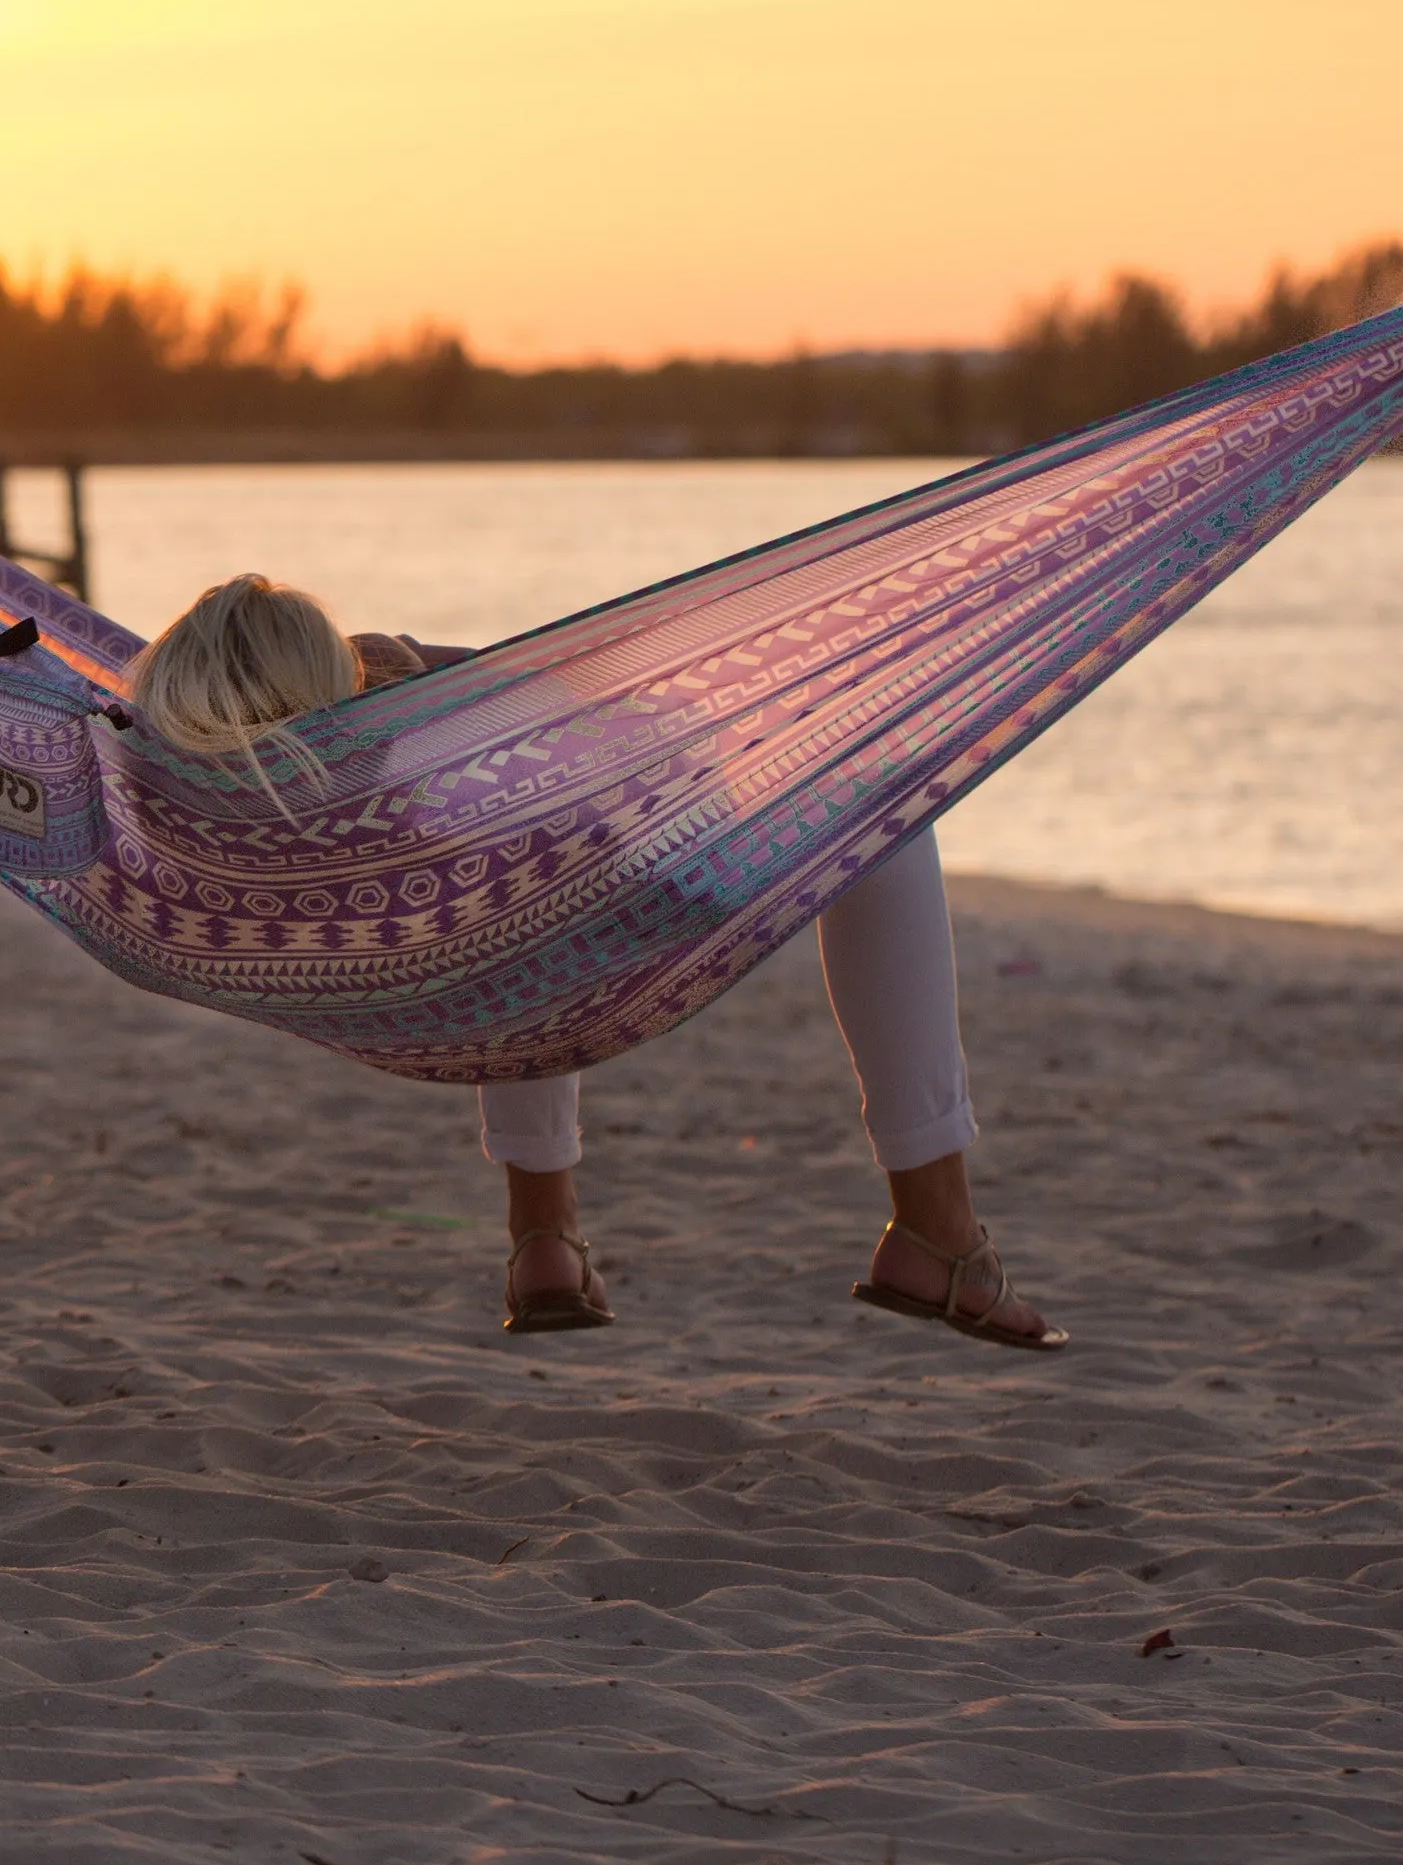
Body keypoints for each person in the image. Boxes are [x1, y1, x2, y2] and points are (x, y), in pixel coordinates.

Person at [128, 573, 1064, 1351]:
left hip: (439, 959)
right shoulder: (400, 753)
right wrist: (428, 677)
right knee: (884, 815)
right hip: (607, 905)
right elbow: (624, 745)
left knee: (501, 878)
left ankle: (543, 1237)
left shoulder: (178, 794)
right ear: (338, 689)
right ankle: (938, 1228)